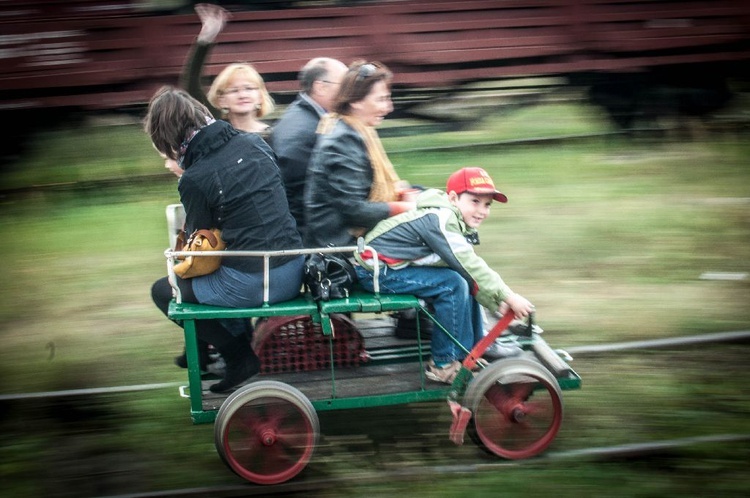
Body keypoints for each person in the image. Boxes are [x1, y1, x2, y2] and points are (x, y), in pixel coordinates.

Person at [145, 86, 304, 393]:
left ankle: (238, 357)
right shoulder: (254, 142)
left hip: (254, 283)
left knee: (165, 290)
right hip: (292, 270)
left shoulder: (194, 176)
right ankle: (203, 350)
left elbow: (199, 245)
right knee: (203, 275)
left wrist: (186, 180)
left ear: (167, 137)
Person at [353, 167, 535, 384]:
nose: (482, 210)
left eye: (487, 204)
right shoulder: (442, 219)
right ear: (453, 198)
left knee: (458, 278)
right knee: (452, 284)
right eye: (475, 201)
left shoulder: (450, 215)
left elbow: (467, 269)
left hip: (393, 265)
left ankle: (476, 347)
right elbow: (470, 265)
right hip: (376, 271)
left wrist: (497, 302)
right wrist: (507, 296)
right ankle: (443, 364)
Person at [304, 60, 415, 249]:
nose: (389, 108)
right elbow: (354, 209)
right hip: (343, 249)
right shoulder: (342, 141)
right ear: (355, 101)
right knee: (448, 278)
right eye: (381, 99)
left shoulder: (355, 131)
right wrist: (404, 207)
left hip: (356, 239)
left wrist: (408, 193)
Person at [270, 57, 348, 238]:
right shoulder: (306, 130)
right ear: (320, 87)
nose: (350, 91)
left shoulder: (304, 115)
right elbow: (303, 197)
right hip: (308, 236)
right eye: (345, 84)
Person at [180, 3, 274, 137]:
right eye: (234, 90)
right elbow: (191, 85)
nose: (242, 95)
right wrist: (205, 40)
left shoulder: (273, 135)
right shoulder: (216, 128)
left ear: (260, 96)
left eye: (249, 88)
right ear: (221, 100)